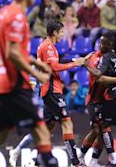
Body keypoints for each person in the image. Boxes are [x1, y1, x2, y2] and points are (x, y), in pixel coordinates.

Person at [0, 0, 58, 167]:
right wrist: (36, 73)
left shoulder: (5, 12)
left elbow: (13, 50)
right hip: (15, 83)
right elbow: (12, 52)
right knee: (41, 131)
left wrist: (36, 63)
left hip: (1, 81)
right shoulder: (17, 16)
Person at [9, 20, 89, 167]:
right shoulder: (48, 47)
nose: (62, 35)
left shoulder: (47, 46)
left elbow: (56, 61)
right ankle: (76, 162)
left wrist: (75, 59)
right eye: (61, 32)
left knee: (46, 129)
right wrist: (74, 64)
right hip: (52, 90)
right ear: (54, 32)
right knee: (66, 122)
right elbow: (54, 66)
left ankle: (32, 159)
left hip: (48, 90)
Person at [85, 32, 116, 166]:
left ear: (110, 44)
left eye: (103, 43)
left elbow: (98, 76)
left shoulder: (106, 57)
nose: (100, 45)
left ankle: (112, 160)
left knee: (103, 125)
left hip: (112, 96)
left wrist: (85, 64)